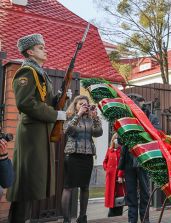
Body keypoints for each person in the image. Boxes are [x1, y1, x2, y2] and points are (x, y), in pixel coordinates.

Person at [7, 33, 67, 223]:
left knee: (33, 185)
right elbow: (26, 103)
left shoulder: (40, 73)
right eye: (41, 47)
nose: (45, 49)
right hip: (32, 133)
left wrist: (60, 98)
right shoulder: (27, 72)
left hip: (40, 132)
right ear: (30, 51)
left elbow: (43, 101)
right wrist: (54, 114)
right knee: (26, 184)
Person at [118, 97, 160, 223]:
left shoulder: (151, 118)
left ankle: (145, 220)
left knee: (145, 194)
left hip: (144, 160)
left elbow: (156, 135)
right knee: (131, 194)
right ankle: (132, 221)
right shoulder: (125, 118)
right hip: (129, 161)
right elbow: (120, 140)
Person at [61, 95, 103, 223]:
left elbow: (98, 133)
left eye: (86, 104)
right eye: (81, 104)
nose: (84, 106)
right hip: (73, 155)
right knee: (68, 187)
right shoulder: (69, 117)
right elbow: (68, 131)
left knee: (85, 187)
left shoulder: (91, 119)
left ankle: (82, 217)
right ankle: (66, 219)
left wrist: (96, 118)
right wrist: (78, 115)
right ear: (75, 106)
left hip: (87, 156)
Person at [103, 133, 125, 217]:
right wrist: (107, 169)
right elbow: (105, 161)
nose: (116, 141)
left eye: (117, 139)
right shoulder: (109, 150)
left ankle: (118, 214)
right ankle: (111, 214)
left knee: (119, 197)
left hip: (118, 178)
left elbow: (123, 164)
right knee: (111, 196)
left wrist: (121, 175)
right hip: (110, 177)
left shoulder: (122, 150)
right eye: (114, 139)